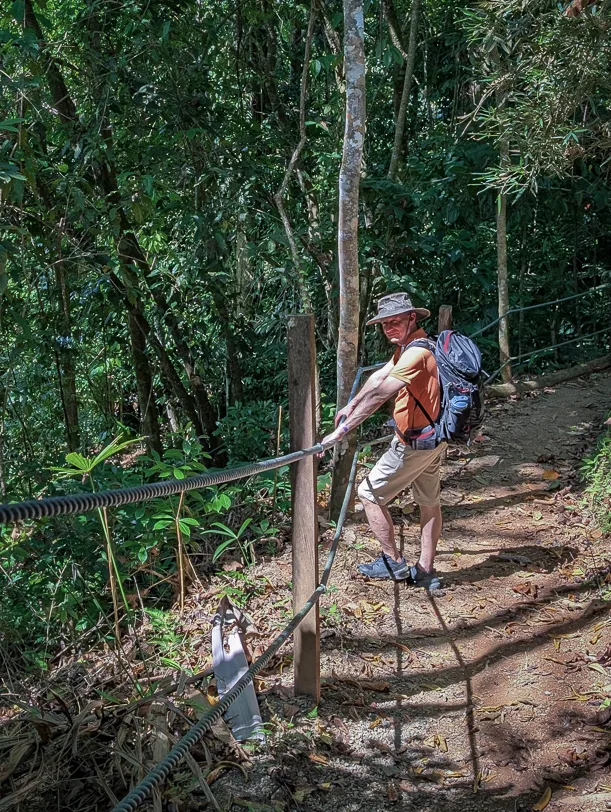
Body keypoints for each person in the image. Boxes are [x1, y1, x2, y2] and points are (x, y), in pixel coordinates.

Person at [320, 292, 445, 590]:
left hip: (413, 444)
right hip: (433, 438)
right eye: (384, 323)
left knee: (368, 493)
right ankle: (425, 571)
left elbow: (382, 393)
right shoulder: (410, 348)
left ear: (412, 318)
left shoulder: (417, 354)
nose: (389, 328)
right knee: (429, 502)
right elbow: (378, 378)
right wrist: (351, 405)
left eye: (396, 321)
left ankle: (393, 562)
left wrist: (342, 430)